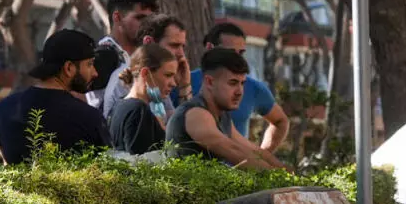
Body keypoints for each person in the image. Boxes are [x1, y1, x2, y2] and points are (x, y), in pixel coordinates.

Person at [0, 28, 109, 165]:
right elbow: (106, 171)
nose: (95, 73)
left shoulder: (6, 107)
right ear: (69, 68)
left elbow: (6, 162)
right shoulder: (89, 117)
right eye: (89, 64)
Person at [193, 22, 291, 156]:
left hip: (237, 173)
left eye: (241, 52)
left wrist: (261, 157)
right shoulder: (183, 83)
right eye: (231, 52)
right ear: (210, 48)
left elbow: (281, 121)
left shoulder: (253, 87)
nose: (237, 57)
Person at [166, 48, 267, 167]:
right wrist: (281, 177)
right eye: (233, 83)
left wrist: (286, 172)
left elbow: (254, 150)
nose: (240, 91)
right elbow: (235, 151)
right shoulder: (196, 114)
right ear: (209, 82)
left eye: (242, 83)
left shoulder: (222, 115)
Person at [103, 43, 182, 154]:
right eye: (168, 75)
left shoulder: (120, 104)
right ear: (145, 73)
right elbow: (141, 164)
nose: (173, 83)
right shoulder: (138, 110)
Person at [87, 0, 158, 107]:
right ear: (117, 17)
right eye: (140, 18)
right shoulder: (103, 56)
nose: (148, 25)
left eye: (151, 19)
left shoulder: (146, 54)